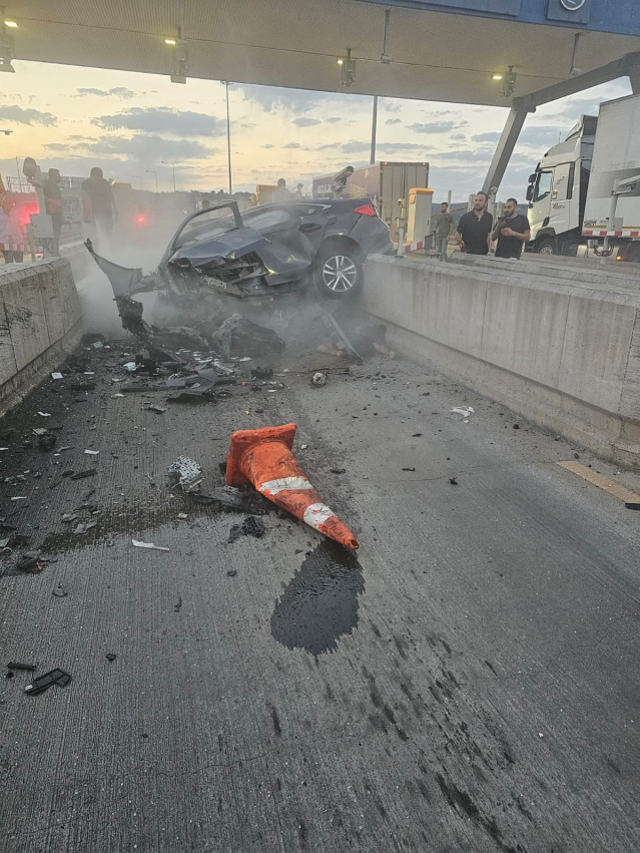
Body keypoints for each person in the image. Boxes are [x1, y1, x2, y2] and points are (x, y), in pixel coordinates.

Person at [81, 167, 116, 249]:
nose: (98, 182)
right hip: (92, 212)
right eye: (95, 179)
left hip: (106, 212)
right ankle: (97, 247)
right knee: (94, 233)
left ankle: (108, 247)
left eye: (99, 179)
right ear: (91, 176)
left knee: (107, 232)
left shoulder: (105, 183)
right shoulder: (86, 184)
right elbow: (84, 198)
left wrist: (115, 208)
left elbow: (111, 197)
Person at [455, 192, 493, 256]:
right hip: (468, 253)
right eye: (476, 200)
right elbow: (457, 234)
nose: (477, 202)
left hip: (483, 253)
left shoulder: (489, 217)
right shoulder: (466, 217)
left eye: (480, 200)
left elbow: (488, 235)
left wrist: (489, 248)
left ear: (485, 203)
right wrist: (461, 242)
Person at [43, 167, 64, 254]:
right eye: (58, 175)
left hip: (57, 214)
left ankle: (56, 250)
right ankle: (53, 251)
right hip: (51, 214)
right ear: (53, 175)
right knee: (53, 234)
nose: (59, 177)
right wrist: (55, 202)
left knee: (57, 234)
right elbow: (42, 197)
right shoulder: (46, 185)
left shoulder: (56, 187)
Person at [0, 193, 24, 263]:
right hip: (4, 242)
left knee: (19, 263)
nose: (10, 204)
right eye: (8, 202)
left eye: (11, 202)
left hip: (17, 241)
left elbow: (21, 225)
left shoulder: (16, 212)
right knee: (9, 263)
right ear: (3, 203)